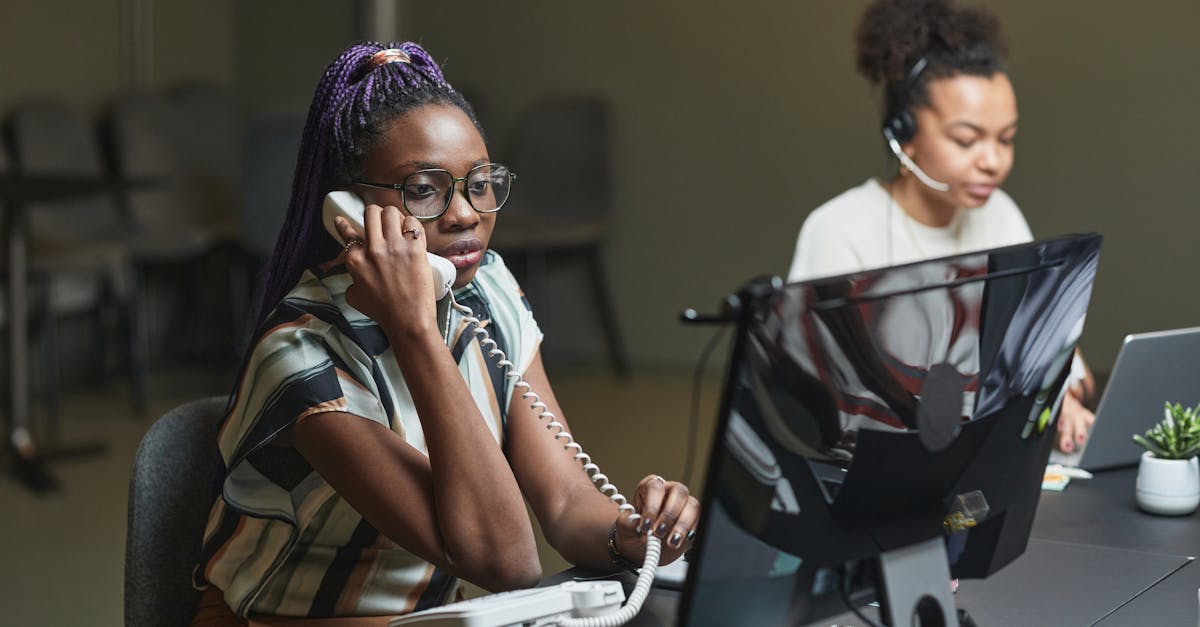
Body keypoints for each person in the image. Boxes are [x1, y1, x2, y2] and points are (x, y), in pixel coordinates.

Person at [191, 42, 698, 625]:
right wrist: (415, 329)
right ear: (349, 211)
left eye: (480, 183)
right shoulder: (302, 356)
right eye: (424, 189)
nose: (465, 214)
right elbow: (505, 562)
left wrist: (633, 536)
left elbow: (563, 500)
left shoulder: (489, 292)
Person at [786, 0, 1096, 454]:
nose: (993, 162)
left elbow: (1051, 355)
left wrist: (1061, 398)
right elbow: (813, 402)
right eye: (966, 140)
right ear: (903, 131)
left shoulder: (1001, 215)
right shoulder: (839, 229)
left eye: (1006, 139)